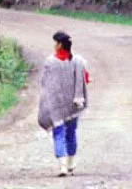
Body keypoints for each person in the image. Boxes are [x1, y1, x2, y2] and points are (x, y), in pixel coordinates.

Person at [38, 30, 89, 177]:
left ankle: (62, 166)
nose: (54, 45)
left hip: (56, 106)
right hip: (74, 104)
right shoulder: (78, 61)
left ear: (60, 45)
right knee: (71, 133)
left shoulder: (50, 62)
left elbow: (44, 83)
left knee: (58, 133)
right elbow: (85, 78)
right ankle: (71, 163)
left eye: (55, 43)